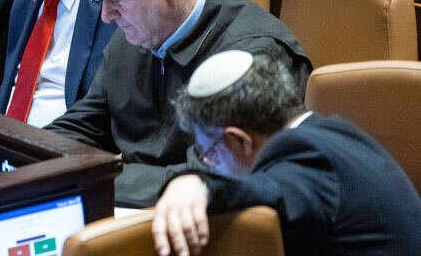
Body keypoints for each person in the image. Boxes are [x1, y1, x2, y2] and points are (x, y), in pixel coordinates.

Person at [45, 0, 310, 208]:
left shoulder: (254, 60)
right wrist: (31, 160)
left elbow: (211, 180)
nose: (106, 15)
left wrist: (88, 177)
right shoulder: (139, 27)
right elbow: (83, 125)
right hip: (130, 203)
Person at [152, 50, 421, 256]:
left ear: (239, 141)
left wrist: (195, 183)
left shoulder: (306, 159)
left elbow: (267, 192)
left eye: (209, 152)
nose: (209, 164)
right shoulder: (329, 130)